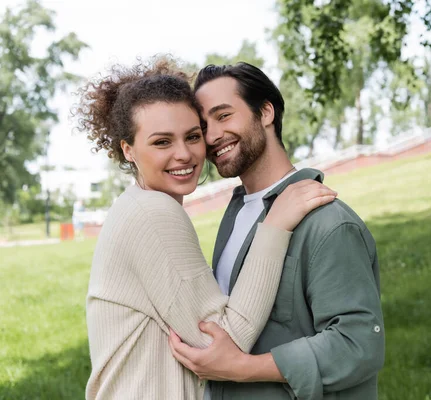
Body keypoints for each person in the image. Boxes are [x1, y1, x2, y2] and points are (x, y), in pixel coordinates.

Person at [75, 58, 337, 400]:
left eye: (192, 136)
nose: (183, 154)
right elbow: (226, 338)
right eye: (162, 142)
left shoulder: (137, 205)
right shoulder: (153, 214)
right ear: (129, 150)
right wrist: (274, 224)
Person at [168, 62, 385, 400]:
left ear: (266, 112)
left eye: (223, 116)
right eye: (204, 125)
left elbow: (358, 344)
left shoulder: (328, 223)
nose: (211, 137)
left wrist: (240, 367)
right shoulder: (236, 214)